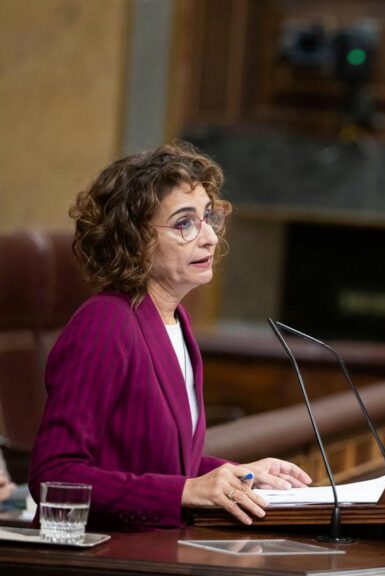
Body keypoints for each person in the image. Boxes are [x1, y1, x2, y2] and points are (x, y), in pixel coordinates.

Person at [29, 142, 311, 530]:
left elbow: (161, 465)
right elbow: (53, 477)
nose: (210, 238)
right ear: (133, 240)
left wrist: (236, 475)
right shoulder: (106, 323)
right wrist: (185, 492)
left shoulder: (174, 320)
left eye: (209, 217)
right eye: (185, 223)